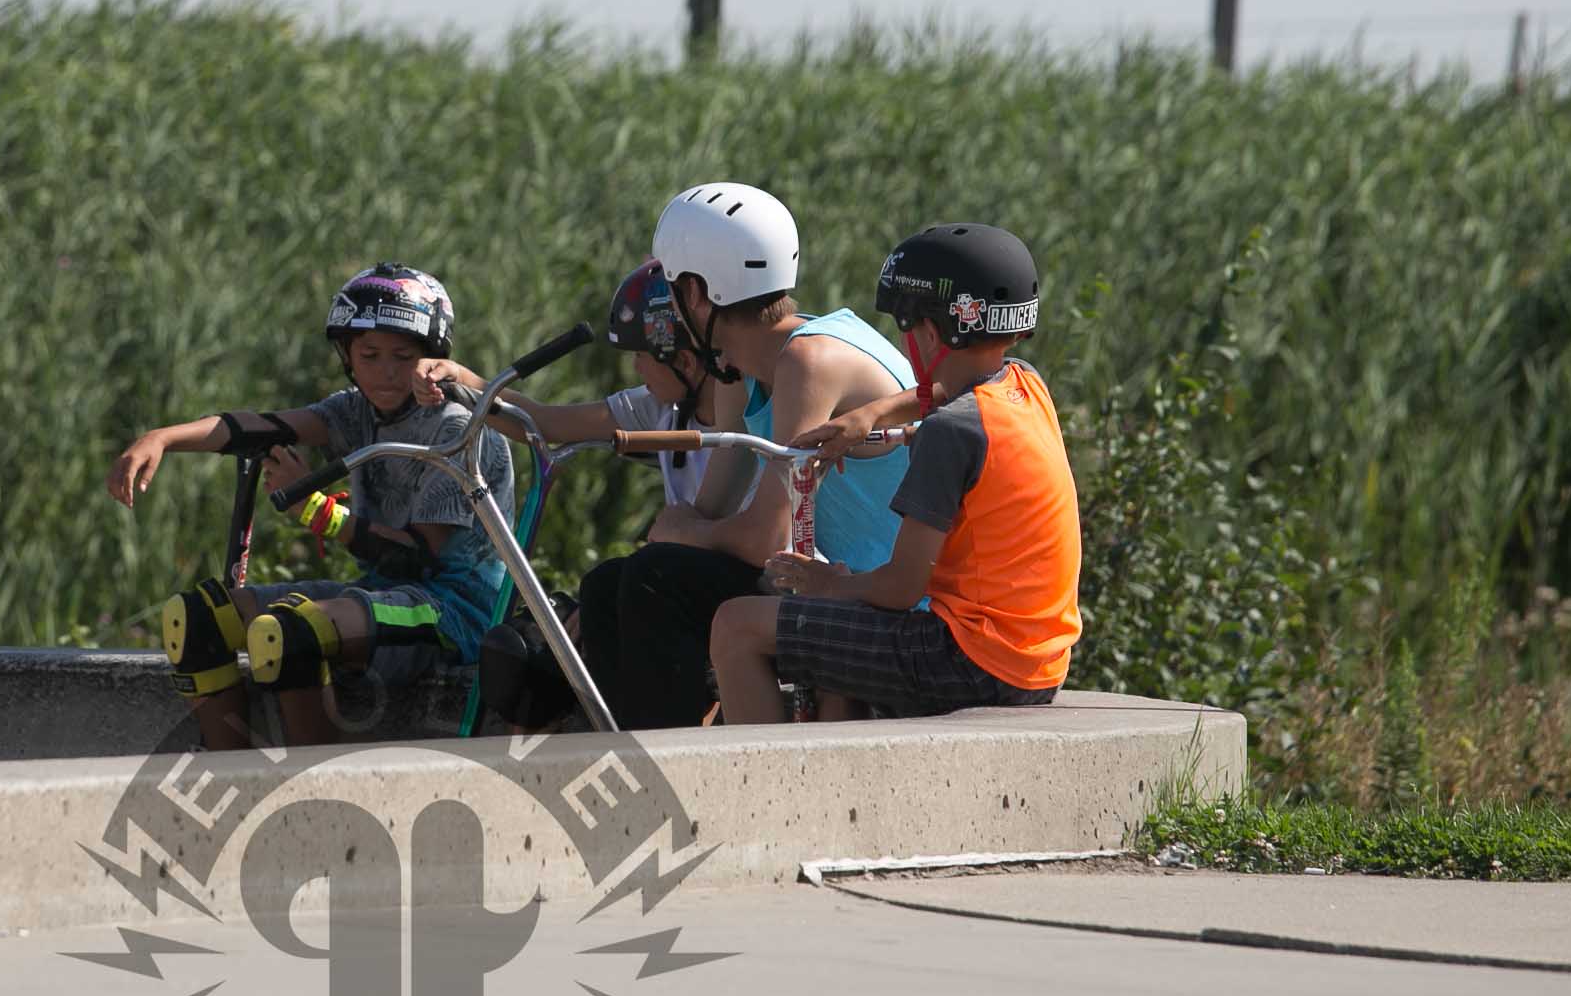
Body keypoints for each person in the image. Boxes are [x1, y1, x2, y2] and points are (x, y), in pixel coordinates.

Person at [107, 263, 515, 751]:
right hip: (385, 595)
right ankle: (230, 767)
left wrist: (316, 510)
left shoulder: (456, 426)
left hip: (455, 613)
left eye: (404, 356)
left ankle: (310, 783)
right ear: (347, 357)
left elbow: (416, 559)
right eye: (369, 355)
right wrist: (162, 438)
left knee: (291, 633)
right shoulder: (355, 409)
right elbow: (259, 427)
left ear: (434, 358)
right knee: (196, 620)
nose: (386, 372)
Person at [710, 222, 1080, 723]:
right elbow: (948, 393)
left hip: (967, 663)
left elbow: (901, 588)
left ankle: (766, 774)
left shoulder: (949, 433)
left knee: (735, 626)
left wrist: (830, 583)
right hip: (1036, 665)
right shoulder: (1024, 385)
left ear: (928, 333)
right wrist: (870, 415)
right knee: (839, 644)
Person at [589, 182, 920, 729]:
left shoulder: (809, 362)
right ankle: (628, 749)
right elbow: (712, 509)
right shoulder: (740, 367)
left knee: (655, 576)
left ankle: (675, 756)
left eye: (671, 291)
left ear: (696, 293)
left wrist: (683, 531)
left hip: (895, 600)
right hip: (839, 585)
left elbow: (763, 536)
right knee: (608, 584)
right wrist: (686, 530)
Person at [409, 256, 756, 726]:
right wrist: (465, 382)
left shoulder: (748, 413)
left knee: (631, 580)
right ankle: (618, 733)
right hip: (680, 570)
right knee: (530, 647)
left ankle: (668, 733)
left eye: (640, 356)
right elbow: (543, 423)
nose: (634, 368)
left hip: (731, 573)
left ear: (685, 361)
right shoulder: (660, 406)